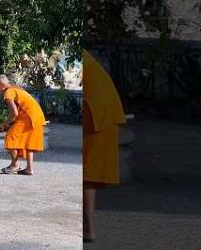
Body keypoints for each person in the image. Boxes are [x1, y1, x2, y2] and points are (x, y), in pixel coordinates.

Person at [82, 49, 126, 242]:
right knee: (88, 176)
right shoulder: (85, 56)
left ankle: (88, 228)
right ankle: (87, 228)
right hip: (104, 110)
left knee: (86, 175)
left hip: (95, 112)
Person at [0, 75, 47, 175]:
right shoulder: (16, 89)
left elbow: (14, 113)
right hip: (37, 116)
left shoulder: (9, 92)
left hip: (28, 117)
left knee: (10, 138)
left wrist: (3, 125)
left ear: (2, 85)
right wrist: (8, 124)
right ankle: (29, 169)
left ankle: (15, 165)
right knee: (28, 143)